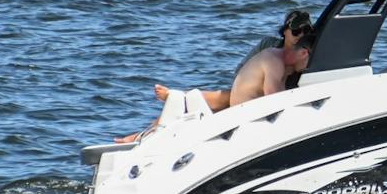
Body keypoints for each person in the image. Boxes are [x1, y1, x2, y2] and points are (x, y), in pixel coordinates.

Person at [115, 22, 316, 143]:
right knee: (222, 98)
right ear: (286, 32)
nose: (299, 34)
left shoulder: (284, 60)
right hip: (244, 113)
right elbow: (275, 103)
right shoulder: (273, 55)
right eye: (295, 30)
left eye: (304, 31)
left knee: (207, 101)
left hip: (243, 106)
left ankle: (181, 99)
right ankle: (177, 102)